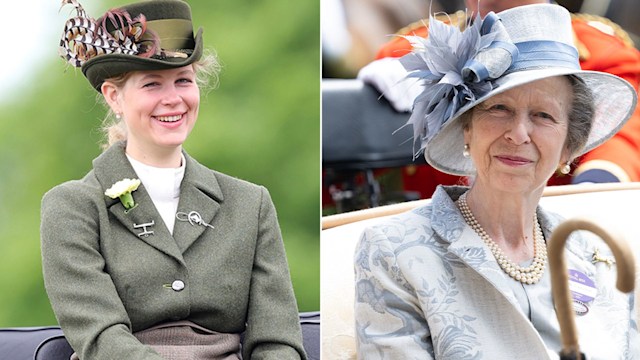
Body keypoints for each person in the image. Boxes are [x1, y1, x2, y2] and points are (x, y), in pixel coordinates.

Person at [354, 3, 639, 359]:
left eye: (543, 115)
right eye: (497, 108)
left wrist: (592, 189)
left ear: (570, 146)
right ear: (465, 128)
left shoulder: (600, 254)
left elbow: (623, 147)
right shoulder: (393, 250)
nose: (518, 134)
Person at [41, 0, 307, 359]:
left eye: (183, 80)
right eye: (152, 84)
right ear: (113, 96)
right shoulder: (72, 207)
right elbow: (101, 339)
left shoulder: (250, 203)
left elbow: (277, 342)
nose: (173, 99)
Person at [357, 0, 640, 199]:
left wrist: (590, 201)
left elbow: (620, 144)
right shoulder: (408, 51)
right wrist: (365, 110)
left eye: (542, 115)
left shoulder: (598, 52)